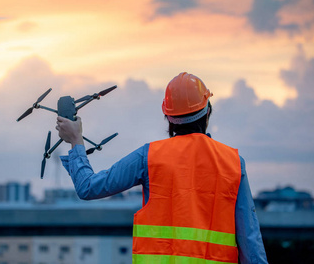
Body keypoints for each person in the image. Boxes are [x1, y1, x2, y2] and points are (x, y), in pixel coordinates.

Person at [55, 72, 268, 264]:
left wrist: (76, 140)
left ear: (168, 116)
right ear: (208, 111)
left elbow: (89, 187)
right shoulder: (232, 162)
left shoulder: (149, 157)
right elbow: (250, 240)